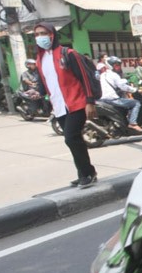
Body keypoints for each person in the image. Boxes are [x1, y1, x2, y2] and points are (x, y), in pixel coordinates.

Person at [29, 22, 99, 188]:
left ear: (52, 35)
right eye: (37, 34)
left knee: (71, 138)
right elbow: (44, 83)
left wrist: (90, 101)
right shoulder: (40, 60)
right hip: (59, 106)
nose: (40, 37)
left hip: (77, 103)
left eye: (43, 33)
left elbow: (85, 78)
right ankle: (85, 173)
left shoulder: (68, 54)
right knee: (74, 139)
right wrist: (38, 93)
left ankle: (88, 172)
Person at [100, 56, 142, 132]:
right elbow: (122, 86)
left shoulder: (103, 75)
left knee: (126, 103)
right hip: (112, 99)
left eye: (119, 65)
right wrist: (135, 90)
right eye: (116, 65)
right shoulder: (114, 75)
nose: (118, 67)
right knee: (136, 103)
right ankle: (132, 123)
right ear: (111, 65)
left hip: (103, 100)